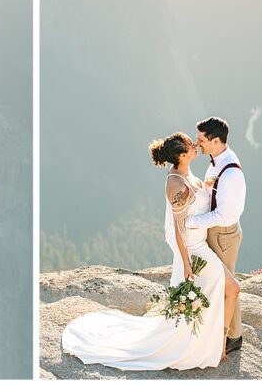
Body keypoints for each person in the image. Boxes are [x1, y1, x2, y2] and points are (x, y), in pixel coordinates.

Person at [61, 132, 240, 370]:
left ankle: (218, 339)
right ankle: (220, 342)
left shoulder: (186, 173)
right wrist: (186, 263)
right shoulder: (176, 184)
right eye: (190, 145)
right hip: (195, 251)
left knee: (214, 295)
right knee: (231, 289)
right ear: (182, 155)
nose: (196, 145)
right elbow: (179, 229)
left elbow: (196, 201)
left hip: (201, 246)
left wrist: (208, 187)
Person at [187, 116, 246, 355]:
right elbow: (211, 192)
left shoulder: (231, 173)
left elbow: (223, 215)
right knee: (218, 280)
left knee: (227, 284)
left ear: (215, 141)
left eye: (201, 139)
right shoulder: (216, 161)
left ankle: (234, 336)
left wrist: (191, 222)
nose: (197, 143)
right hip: (215, 232)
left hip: (223, 234)